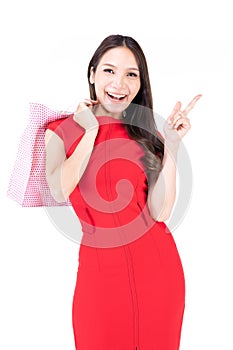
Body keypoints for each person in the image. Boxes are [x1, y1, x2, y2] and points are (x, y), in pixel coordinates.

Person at [45, 34, 201, 350]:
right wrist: (90, 130)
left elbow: (161, 212)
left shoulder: (146, 135)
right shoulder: (60, 130)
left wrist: (171, 146)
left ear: (140, 83)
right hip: (99, 280)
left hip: (158, 273)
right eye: (109, 70)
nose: (120, 83)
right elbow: (60, 190)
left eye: (132, 74)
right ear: (91, 74)